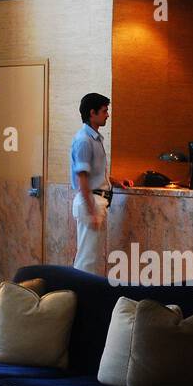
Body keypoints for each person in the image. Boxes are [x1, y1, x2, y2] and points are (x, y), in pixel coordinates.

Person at [70, 92, 111, 275]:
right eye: (104, 111)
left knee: (90, 259)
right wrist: (92, 210)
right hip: (91, 201)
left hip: (96, 200)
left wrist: (115, 180)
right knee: (86, 261)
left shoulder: (94, 138)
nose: (107, 115)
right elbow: (82, 178)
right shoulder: (84, 140)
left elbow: (94, 173)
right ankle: (80, 300)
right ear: (92, 113)